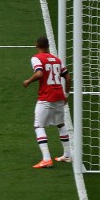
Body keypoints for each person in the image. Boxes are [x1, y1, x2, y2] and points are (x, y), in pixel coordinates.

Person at [22, 35, 72, 169]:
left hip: (46, 97)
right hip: (59, 95)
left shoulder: (36, 58)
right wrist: (66, 95)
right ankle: (67, 155)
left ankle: (46, 159)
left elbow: (39, 74)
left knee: (38, 126)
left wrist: (28, 81)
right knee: (61, 124)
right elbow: (67, 78)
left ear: (37, 45)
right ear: (48, 46)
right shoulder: (57, 60)